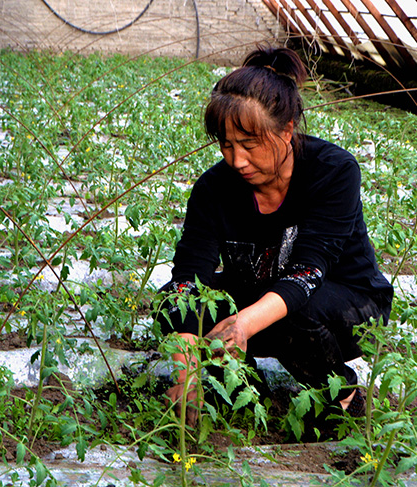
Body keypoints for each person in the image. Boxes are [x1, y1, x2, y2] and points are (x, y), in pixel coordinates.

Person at [157, 46, 393, 427]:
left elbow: (308, 271)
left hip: (347, 302)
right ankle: (249, 387)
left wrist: (243, 325)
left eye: (250, 145)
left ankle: (342, 394)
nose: (237, 161)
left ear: (286, 130)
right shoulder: (214, 189)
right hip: (263, 294)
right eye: (227, 145)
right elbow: (189, 278)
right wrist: (186, 372)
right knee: (174, 299)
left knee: (295, 313)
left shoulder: (332, 171)